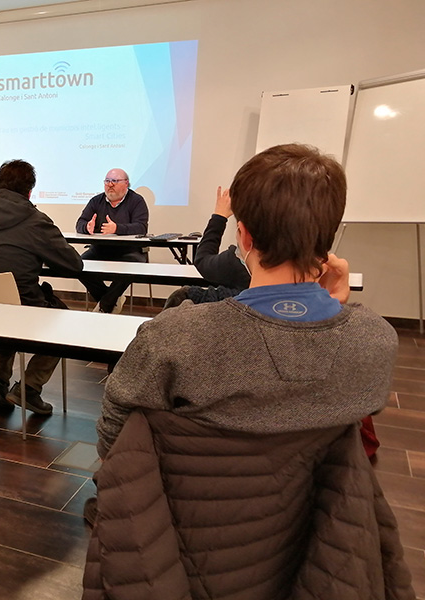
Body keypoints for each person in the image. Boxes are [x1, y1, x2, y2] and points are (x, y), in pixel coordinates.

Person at [84, 144, 408, 596]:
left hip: (177, 546)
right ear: (327, 242)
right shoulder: (374, 341)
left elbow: (114, 439)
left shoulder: (176, 336)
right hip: (315, 550)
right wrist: (333, 308)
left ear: (245, 237)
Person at [0, 159, 83, 414]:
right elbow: (73, 265)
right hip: (16, 310)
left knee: (8, 304)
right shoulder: (35, 220)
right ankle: (29, 389)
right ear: (29, 191)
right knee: (60, 318)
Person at [163, 185, 250, 308]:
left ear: (245, 235)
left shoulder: (236, 262)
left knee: (181, 296)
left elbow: (202, 260)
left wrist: (219, 216)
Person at [75, 169, 148, 313]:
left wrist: (117, 228)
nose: (110, 185)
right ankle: (110, 301)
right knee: (79, 265)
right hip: (100, 250)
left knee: (133, 265)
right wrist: (86, 227)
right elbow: (80, 223)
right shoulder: (96, 201)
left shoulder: (136, 201)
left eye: (114, 181)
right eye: (107, 181)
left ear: (126, 183)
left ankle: (105, 306)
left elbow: (141, 227)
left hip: (128, 252)